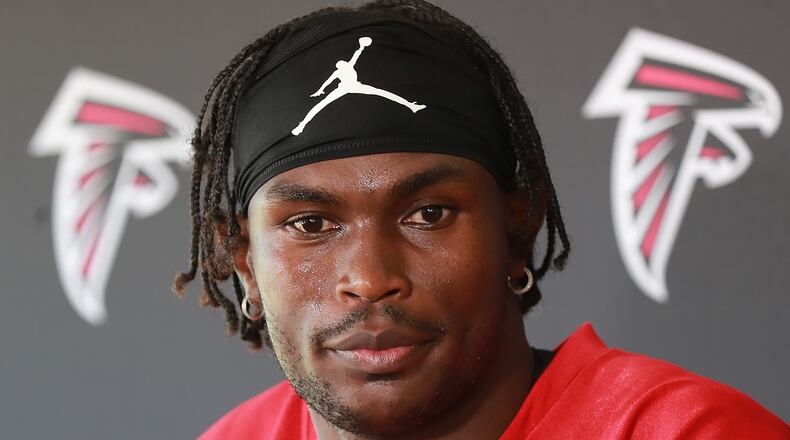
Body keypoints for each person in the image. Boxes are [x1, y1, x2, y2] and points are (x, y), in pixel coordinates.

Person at [171, 1, 789, 438]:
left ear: (516, 232)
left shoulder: (684, 433)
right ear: (246, 264)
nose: (368, 278)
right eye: (310, 224)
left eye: (428, 213)